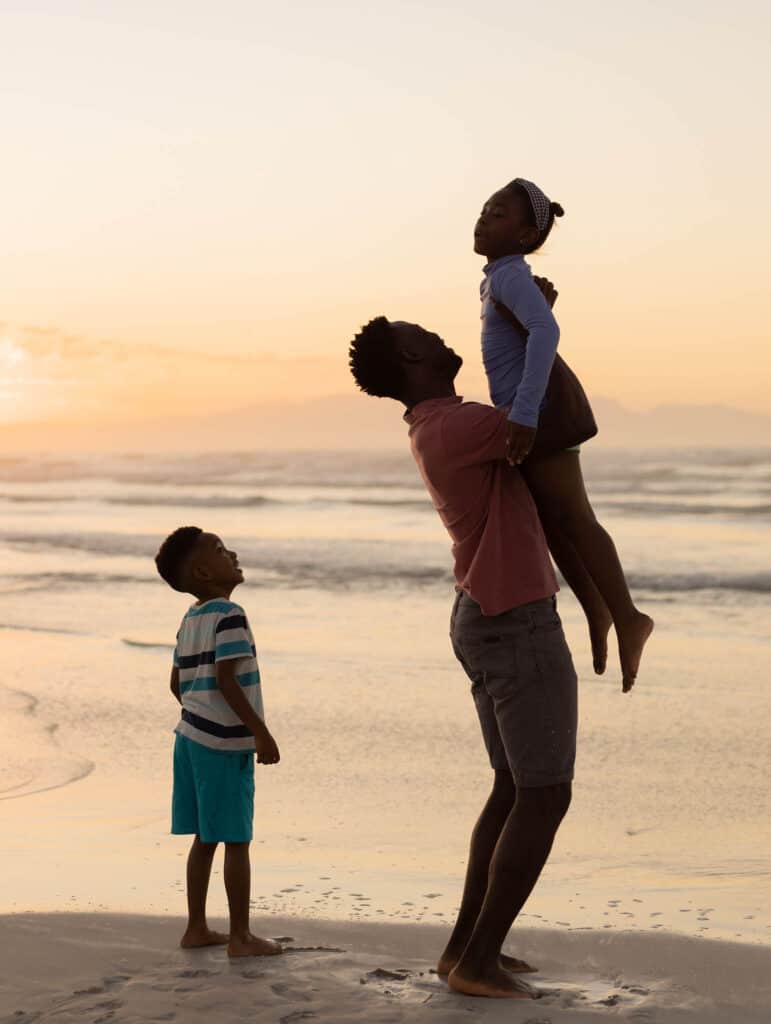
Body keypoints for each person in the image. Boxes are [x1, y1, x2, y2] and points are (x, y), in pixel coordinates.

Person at [348, 299, 575, 1000]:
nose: (443, 337)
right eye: (426, 335)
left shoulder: (437, 426)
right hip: (513, 621)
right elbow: (571, 425)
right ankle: (477, 961)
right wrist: (535, 332)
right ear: (413, 360)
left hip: (485, 614)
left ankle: (464, 951)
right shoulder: (462, 425)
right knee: (544, 795)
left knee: (514, 789)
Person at [475, 177, 653, 689]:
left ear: (528, 234)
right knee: (554, 524)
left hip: (541, 414)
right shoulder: (498, 278)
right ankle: (599, 612)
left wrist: (524, 414)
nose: (485, 216)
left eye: (499, 213)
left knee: (574, 518)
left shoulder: (511, 277)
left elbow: (545, 332)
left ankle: (628, 615)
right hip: (529, 412)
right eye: (486, 208)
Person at [155, 527, 282, 958]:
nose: (233, 553)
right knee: (236, 839)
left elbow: (177, 682)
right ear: (205, 571)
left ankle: (196, 928)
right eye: (220, 549)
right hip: (222, 745)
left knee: (205, 838)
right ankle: (240, 937)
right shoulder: (230, 614)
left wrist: (197, 711)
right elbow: (226, 679)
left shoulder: (191, 619)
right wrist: (260, 733)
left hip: (189, 738)